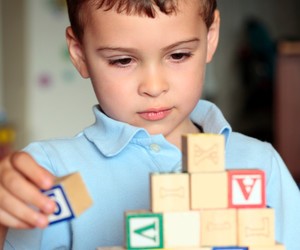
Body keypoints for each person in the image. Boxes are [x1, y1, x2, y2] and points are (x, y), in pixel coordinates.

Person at [1, 0, 300, 249]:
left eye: (179, 55)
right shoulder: (47, 173)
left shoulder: (262, 166)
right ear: (79, 54)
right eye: (122, 60)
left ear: (210, 39)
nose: (154, 87)